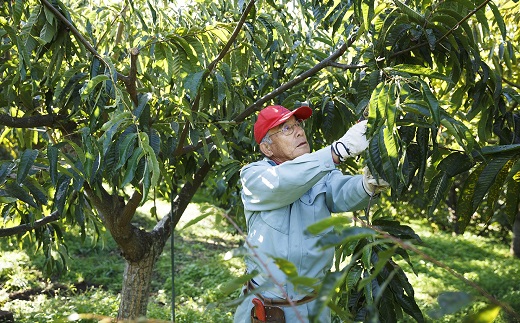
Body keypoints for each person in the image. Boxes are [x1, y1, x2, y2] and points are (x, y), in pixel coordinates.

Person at [233, 105, 389, 323]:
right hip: (263, 308)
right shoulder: (254, 176)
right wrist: (338, 151)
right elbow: (282, 183)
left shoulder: (320, 175)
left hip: (311, 308)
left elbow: (342, 193)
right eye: (286, 129)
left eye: (298, 125)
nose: (298, 131)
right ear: (267, 149)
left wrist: (367, 185)